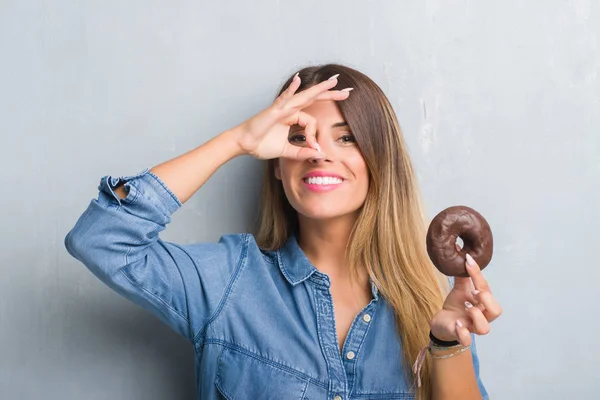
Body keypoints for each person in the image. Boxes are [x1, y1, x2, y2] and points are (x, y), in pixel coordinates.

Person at [64, 63, 501, 400]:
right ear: (276, 164)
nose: (318, 153)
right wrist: (238, 141)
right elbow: (101, 238)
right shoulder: (228, 281)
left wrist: (446, 344)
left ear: (378, 162)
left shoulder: (431, 301)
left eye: (346, 138)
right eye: (298, 136)